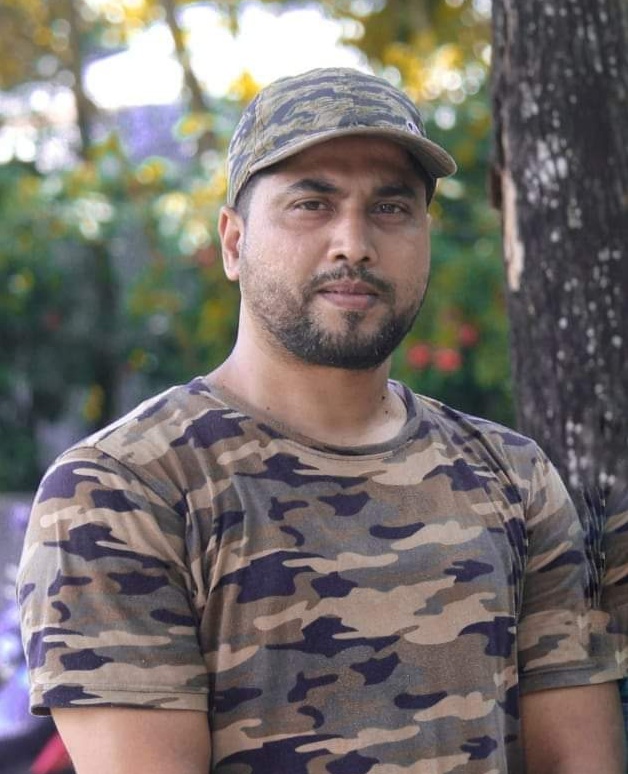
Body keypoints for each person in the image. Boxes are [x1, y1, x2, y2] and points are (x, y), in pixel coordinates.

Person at [17, 67, 625, 774]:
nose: (353, 243)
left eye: (391, 207)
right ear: (234, 243)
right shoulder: (121, 492)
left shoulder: (515, 478)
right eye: (312, 204)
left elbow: (579, 759)